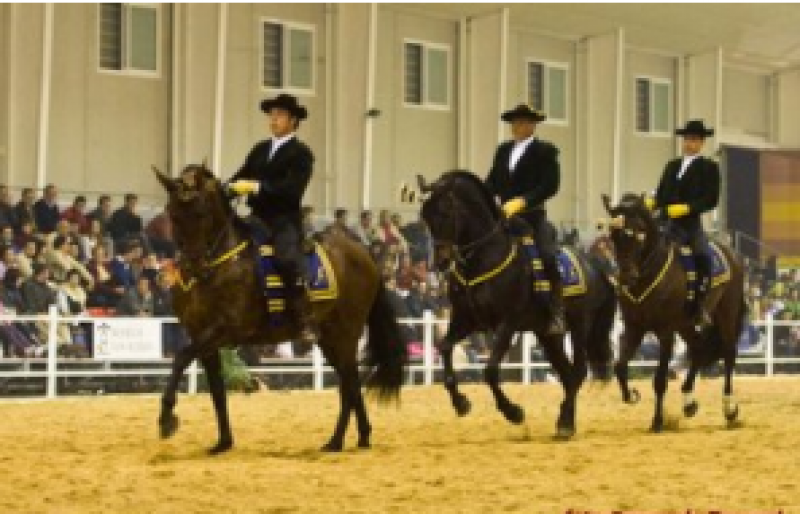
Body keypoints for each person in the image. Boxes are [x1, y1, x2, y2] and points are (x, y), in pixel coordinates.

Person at [227, 93, 318, 345]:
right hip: (256, 218)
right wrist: (225, 189)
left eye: (279, 115)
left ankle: (302, 319)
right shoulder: (259, 149)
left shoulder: (301, 154)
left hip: (283, 220)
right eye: (272, 114)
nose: (273, 119)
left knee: (286, 259)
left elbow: (291, 190)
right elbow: (240, 176)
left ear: (293, 121)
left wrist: (257, 187)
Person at [485, 104, 564, 335]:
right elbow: (492, 182)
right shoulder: (503, 151)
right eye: (515, 123)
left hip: (532, 216)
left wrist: (524, 201)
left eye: (522, 122)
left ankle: (556, 311)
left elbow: (550, 185)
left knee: (547, 256)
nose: (517, 127)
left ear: (532, 126)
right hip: (504, 216)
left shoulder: (545, 151)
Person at [649, 119, 720, 328]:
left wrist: (687, 207)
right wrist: (652, 202)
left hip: (690, 225)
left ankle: (699, 305)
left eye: (695, 140)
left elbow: (711, 199)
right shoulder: (671, 166)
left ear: (702, 143)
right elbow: (661, 193)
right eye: (687, 139)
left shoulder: (709, 168)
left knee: (703, 256)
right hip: (665, 222)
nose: (690, 144)